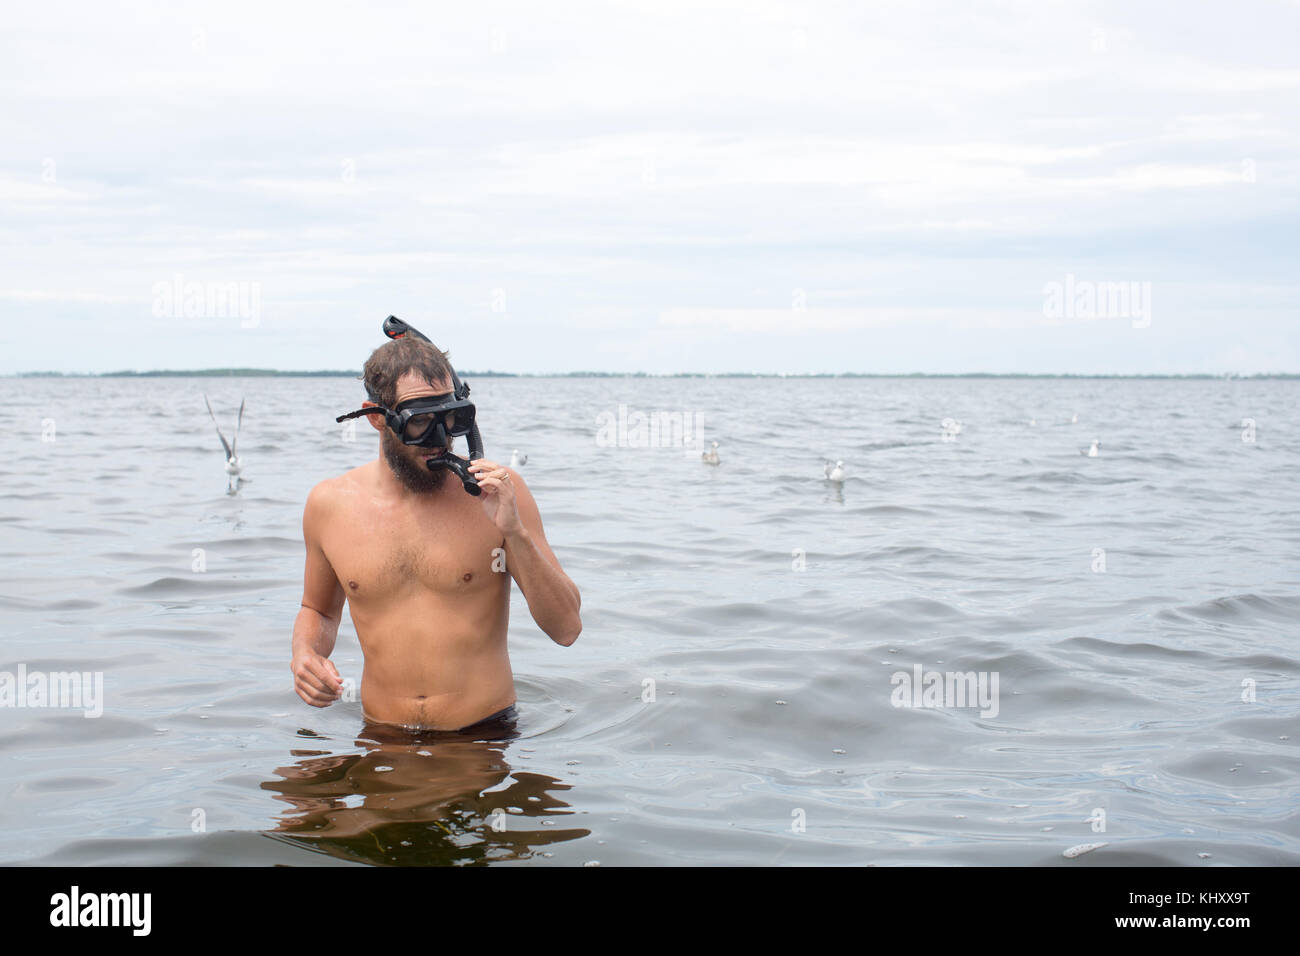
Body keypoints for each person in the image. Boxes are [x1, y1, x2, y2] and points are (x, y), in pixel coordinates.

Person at [290, 333, 581, 732]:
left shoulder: (500, 492)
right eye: (421, 422)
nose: (440, 438)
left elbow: (566, 629)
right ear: (376, 416)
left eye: (449, 419)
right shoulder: (328, 505)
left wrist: (515, 533)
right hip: (381, 739)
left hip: (484, 738)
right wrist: (306, 653)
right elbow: (319, 611)